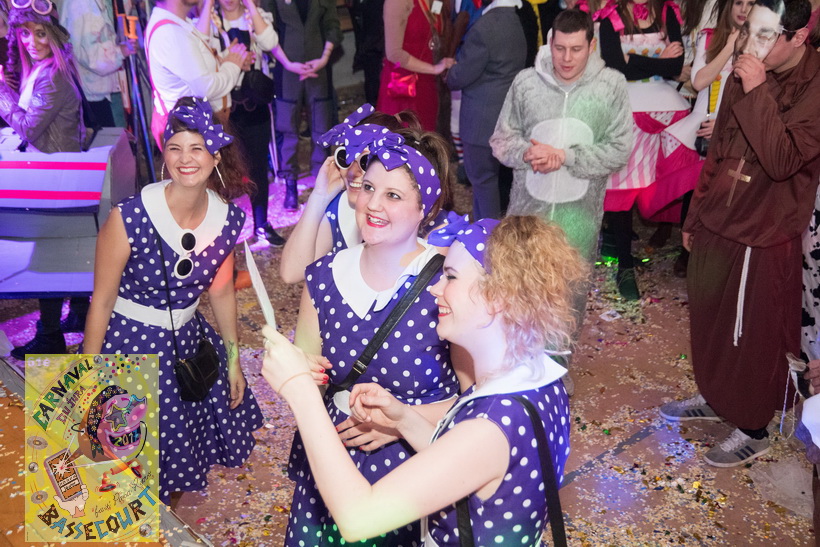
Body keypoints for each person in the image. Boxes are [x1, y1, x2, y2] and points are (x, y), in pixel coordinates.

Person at [259, 214, 585, 545]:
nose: (435, 288)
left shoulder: (492, 423)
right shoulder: (539, 378)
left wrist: (300, 390)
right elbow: (465, 464)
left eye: (451, 277)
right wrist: (403, 419)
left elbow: (358, 518)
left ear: (498, 296)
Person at [659, 0, 820, 468]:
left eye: (766, 36)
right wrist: (696, 214)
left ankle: (753, 425)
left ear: (798, 37)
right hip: (719, 215)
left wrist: (756, 88)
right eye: (750, 31)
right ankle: (717, 395)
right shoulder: (745, 68)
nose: (752, 44)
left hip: (765, 226)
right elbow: (720, 147)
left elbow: (784, 160)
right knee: (710, 316)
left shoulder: (813, 84)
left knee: (751, 331)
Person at [82, 97, 264, 508]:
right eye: (175, 147)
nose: (185, 159)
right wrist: (88, 377)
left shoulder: (227, 219)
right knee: (119, 472)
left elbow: (220, 291)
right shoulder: (128, 217)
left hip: (185, 345)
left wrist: (234, 360)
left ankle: (165, 523)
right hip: (126, 348)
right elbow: (102, 301)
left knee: (178, 456)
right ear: (164, 154)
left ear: (216, 156)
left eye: (197, 148)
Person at [282, 127, 459, 545]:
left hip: (415, 468)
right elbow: (308, 378)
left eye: (393, 195)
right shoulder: (323, 275)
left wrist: (402, 422)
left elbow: (479, 401)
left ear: (425, 208)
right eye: (368, 188)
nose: (373, 205)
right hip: (334, 458)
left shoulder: (447, 280)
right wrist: (299, 372)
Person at [491, 8, 632, 371]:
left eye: (576, 49)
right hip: (527, 216)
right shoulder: (526, 83)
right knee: (520, 293)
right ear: (550, 43)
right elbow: (501, 141)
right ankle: (516, 372)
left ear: (591, 46)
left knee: (568, 298)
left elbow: (619, 150)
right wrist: (529, 153)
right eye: (559, 48)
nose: (566, 58)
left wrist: (566, 157)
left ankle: (556, 373)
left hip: (579, 219)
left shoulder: (611, 86)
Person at [0, 1, 91, 358]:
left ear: (52, 35)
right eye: (24, 34)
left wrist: (1, 93)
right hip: (57, 173)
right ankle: (79, 313)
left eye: (39, 34)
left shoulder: (52, 74)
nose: (31, 41)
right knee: (63, 254)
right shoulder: (46, 69)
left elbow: (28, 127)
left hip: (53, 179)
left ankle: (50, 335)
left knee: (48, 261)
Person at [595, 0, 690, 299]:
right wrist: (661, 59)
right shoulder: (609, 18)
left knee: (671, 180)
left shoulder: (667, 12)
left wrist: (634, 61)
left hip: (667, 114)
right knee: (620, 190)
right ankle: (624, 264)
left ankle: (687, 253)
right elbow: (616, 68)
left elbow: (677, 67)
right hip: (625, 115)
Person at [278, 103, 423, 283]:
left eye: (365, 161)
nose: (352, 171)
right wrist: (319, 197)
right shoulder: (342, 207)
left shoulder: (415, 213)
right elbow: (291, 273)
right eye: (346, 157)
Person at [665, 0, 755, 276]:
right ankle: (687, 251)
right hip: (703, 126)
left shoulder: (762, 44)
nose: (743, 9)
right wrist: (728, 46)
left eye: (751, 3)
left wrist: (727, 124)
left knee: (729, 195)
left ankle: (718, 255)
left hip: (738, 128)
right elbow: (699, 81)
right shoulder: (709, 38)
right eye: (738, 2)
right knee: (695, 191)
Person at [199, 0, 287, 246]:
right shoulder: (210, 22)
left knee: (258, 167)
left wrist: (251, 6)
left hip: (254, 104)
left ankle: (262, 224)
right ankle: (221, 231)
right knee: (220, 170)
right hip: (223, 108)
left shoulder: (254, 17)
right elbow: (200, 49)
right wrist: (231, 60)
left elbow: (270, 42)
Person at [445, 0, 527, 220]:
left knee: (482, 180)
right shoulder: (515, 20)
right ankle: (485, 230)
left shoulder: (484, 27)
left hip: (481, 120)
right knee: (494, 182)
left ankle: (487, 235)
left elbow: (461, 75)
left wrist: (450, 72)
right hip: (507, 115)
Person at [145, 0, 250, 148]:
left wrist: (229, 57)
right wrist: (232, 66)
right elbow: (205, 88)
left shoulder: (175, 23)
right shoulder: (171, 33)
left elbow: (196, 63)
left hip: (195, 130)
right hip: (191, 135)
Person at [270, 0, 342, 211]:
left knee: (322, 129)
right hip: (286, 71)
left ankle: (322, 183)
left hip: (318, 70)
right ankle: (290, 186)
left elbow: (332, 26)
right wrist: (287, 64)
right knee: (287, 129)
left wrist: (324, 59)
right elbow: (267, 32)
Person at [377, 0, 455, 130]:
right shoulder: (397, 2)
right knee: (409, 137)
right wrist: (434, 69)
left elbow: (437, 31)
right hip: (404, 87)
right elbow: (394, 54)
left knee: (428, 133)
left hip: (428, 82)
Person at [59, 0, 135, 128]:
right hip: (95, 94)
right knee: (109, 137)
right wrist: (120, 51)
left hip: (105, 88)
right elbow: (89, 54)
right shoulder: (82, 3)